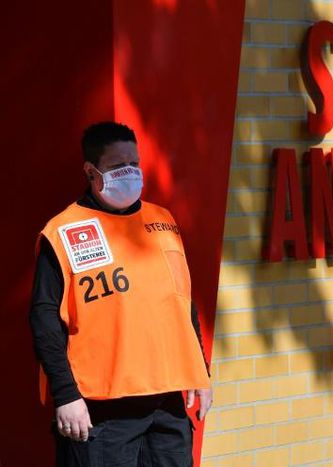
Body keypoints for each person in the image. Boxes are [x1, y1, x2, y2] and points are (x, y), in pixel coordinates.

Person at [29, 121, 213, 466]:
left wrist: (199, 372)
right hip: (102, 412)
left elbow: (182, 303)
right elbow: (44, 319)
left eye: (134, 164)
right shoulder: (64, 231)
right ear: (90, 171)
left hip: (167, 406)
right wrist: (65, 395)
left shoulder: (163, 222)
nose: (129, 172)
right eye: (117, 166)